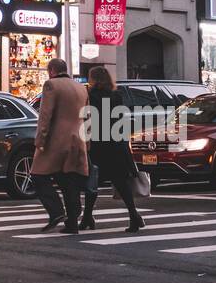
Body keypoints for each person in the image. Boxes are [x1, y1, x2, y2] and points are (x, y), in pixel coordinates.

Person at [81, 65, 145, 233]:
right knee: (121, 183)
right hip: (116, 143)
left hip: (98, 143)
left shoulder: (90, 95)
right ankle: (133, 216)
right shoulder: (116, 96)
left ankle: (87, 217)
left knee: (92, 183)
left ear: (93, 79)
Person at [31, 58, 89, 234]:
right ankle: (72, 222)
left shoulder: (51, 85)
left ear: (52, 70)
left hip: (56, 141)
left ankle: (56, 211)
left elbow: (45, 116)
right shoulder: (81, 88)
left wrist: (40, 141)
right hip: (77, 140)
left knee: (38, 176)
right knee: (68, 181)